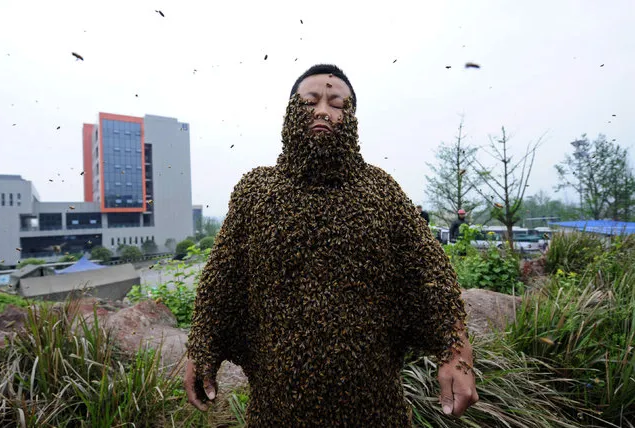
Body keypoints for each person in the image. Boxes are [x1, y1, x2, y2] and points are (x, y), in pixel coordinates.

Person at [184, 64, 478, 426]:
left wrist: (457, 354)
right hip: (276, 412)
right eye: (310, 101)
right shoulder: (255, 193)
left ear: (351, 118)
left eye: (337, 103)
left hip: (375, 411)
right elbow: (220, 281)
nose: (323, 110)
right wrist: (202, 348)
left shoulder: (381, 191)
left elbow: (432, 279)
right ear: (291, 112)